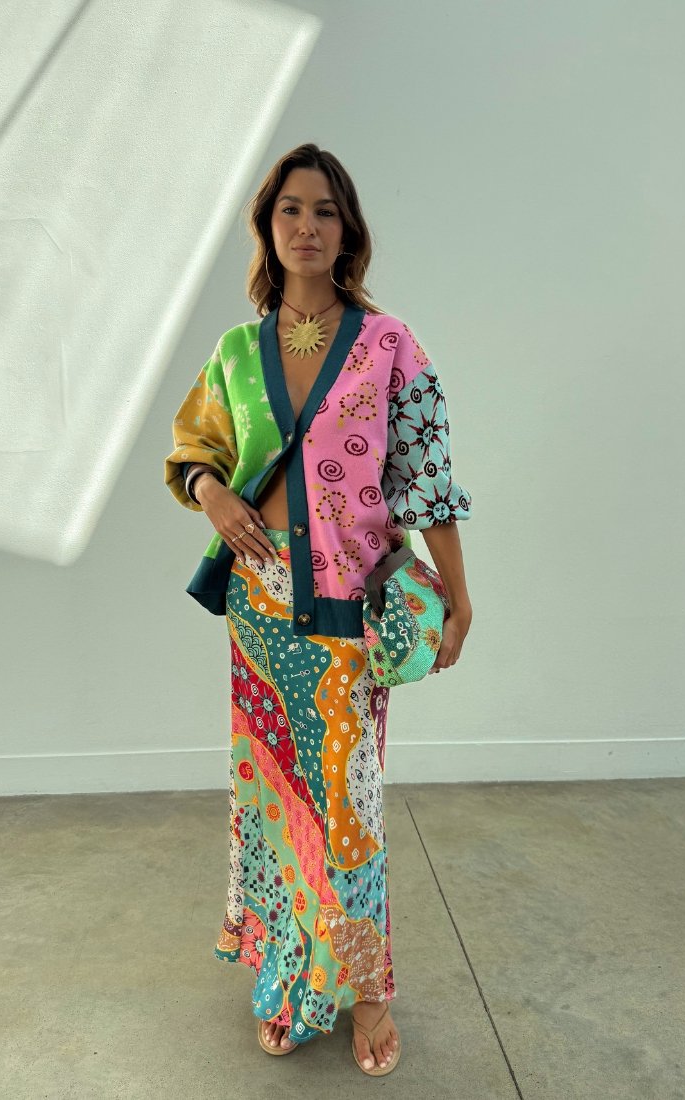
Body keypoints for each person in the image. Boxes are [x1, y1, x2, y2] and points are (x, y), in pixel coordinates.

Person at [164, 142, 473, 1076]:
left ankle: (368, 991)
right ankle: (293, 979)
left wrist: (460, 598)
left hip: (346, 612)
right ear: (268, 227)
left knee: (351, 806)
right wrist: (214, 495)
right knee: (274, 799)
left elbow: (428, 482)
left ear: (348, 232)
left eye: (324, 211)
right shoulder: (236, 352)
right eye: (290, 209)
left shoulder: (389, 345)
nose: (306, 225)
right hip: (257, 611)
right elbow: (193, 449)